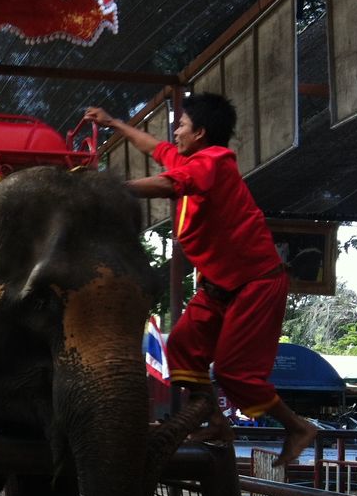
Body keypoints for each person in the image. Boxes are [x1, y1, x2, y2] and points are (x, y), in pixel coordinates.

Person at [83, 93, 317, 467]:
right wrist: (113, 123)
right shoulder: (190, 159)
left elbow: (169, 183)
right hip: (218, 286)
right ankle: (217, 422)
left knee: (233, 372)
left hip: (255, 284)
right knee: (182, 349)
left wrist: (108, 188)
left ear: (201, 133)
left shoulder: (214, 163)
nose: (176, 133)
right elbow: (154, 148)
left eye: (181, 126)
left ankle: (298, 427)